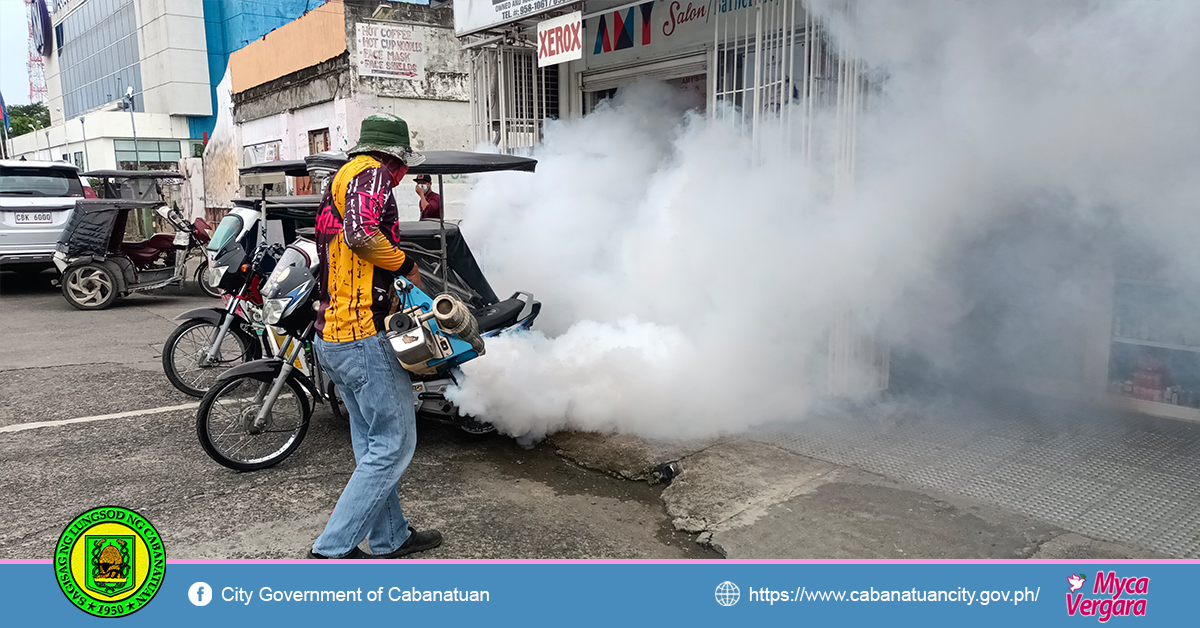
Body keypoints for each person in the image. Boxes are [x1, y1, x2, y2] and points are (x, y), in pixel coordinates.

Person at [307, 114, 442, 559]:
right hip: (364, 334)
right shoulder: (372, 174)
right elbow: (363, 234)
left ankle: (390, 537)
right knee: (395, 443)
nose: (401, 177)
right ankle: (332, 550)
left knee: (372, 445)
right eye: (403, 166)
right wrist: (406, 267)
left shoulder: (338, 179)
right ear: (395, 158)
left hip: (333, 337)